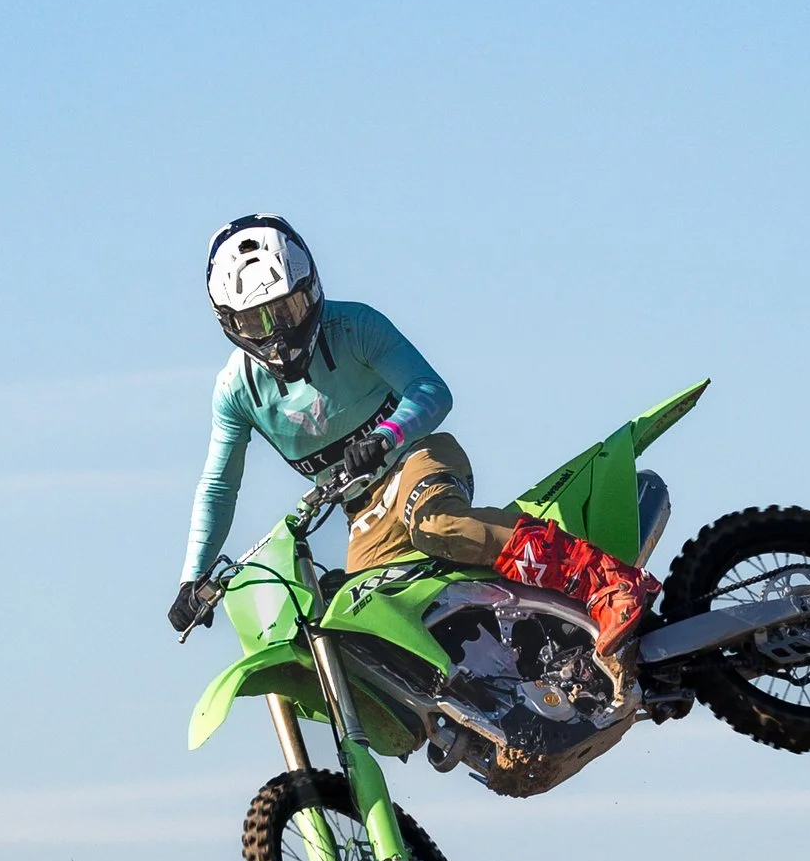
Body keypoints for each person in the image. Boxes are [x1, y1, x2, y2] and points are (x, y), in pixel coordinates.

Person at [168, 215, 655, 656]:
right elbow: (218, 487)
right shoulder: (236, 391)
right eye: (256, 321)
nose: (278, 333)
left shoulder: (355, 326)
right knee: (363, 626)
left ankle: (606, 580)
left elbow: (432, 391)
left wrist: (386, 437)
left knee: (436, 523)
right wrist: (194, 578)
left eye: (289, 310)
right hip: (364, 512)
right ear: (230, 325)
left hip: (417, 457)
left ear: (312, 291)